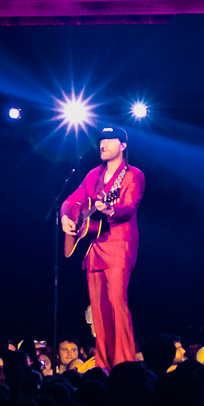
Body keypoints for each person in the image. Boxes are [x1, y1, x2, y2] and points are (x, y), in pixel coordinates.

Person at [60, 125, 146, 371]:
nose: (103, 144)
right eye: (101, 140)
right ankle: (104, 367)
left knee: (117, 302)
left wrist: (111, 210)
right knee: (97, 309)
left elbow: (129, 207)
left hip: (120, 244)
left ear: (123, 146)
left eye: (110, 140)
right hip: (94, 245)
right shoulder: (93, 175)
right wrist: (67, 216)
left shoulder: (133, 175)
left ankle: (125, 365)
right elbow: (71, 200)